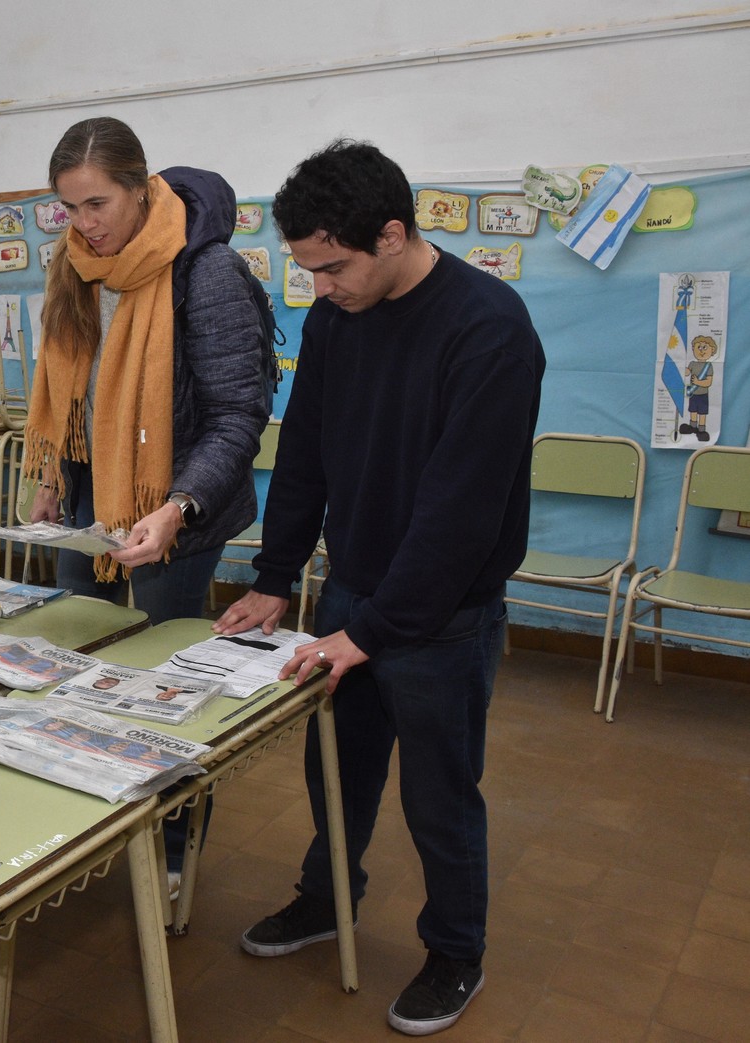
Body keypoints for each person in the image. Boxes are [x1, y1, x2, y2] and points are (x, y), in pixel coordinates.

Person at [214, 139, 544, 1036]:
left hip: (442, 614)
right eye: (306, 268)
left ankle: (454, 952)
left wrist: (375, 630)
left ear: (392, 235)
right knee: (338, 772)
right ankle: (326, 900)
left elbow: (461, 511)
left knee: (439, 794)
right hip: (353, 592)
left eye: (332, 266)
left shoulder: (489, 329)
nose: (319, 286)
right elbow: (308, 454)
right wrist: (276, 578)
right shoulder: (334, 321)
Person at [24, 116, 271, 625]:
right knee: (77, 626)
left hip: (176, 497)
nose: (85, 224)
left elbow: (237, 417)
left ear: (139, 189)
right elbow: (75, 396)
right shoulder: (74, 266)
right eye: (69, 207)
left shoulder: (207, 270)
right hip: (91, 487)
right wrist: (53, 482)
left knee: (160, 641)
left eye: (97, 204)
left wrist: (176, 508)